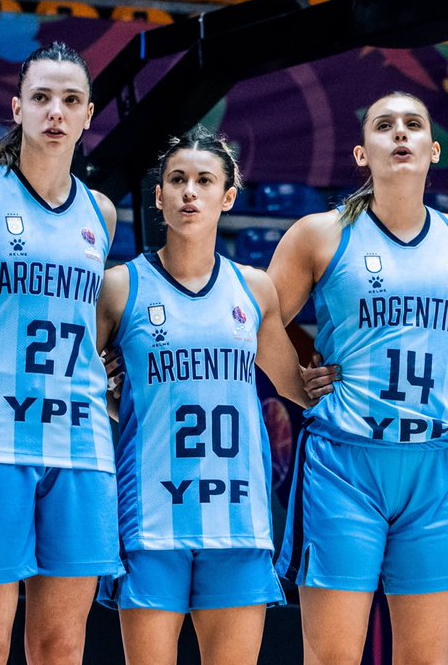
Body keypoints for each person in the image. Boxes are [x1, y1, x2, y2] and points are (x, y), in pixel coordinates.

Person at [266, 92, 448, 664]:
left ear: (433, 150)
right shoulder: (320, 233)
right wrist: (296, 385)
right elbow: (255, 320)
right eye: (383, 125)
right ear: (362, 152)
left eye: (413, 125)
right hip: (347, 465)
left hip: (438, 467)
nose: (399, 135)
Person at [95, 127, 313, 665]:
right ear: (158, 196)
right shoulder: (119, 287)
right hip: (150, 512)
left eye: (204, 181)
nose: (189, 192)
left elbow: (297, 387)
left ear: (228, 197)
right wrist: (109, 395)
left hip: (237, 514)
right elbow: (82, 386)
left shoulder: (254, 288)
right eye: (177, 180)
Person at [0, 42, 118, 665]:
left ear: (90, 114)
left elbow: (90, 325)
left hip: (79, 441)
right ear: (16, 108)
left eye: (71, 100)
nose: (55, 113)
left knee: (62, 647)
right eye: (41, 98)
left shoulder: (101, 213)